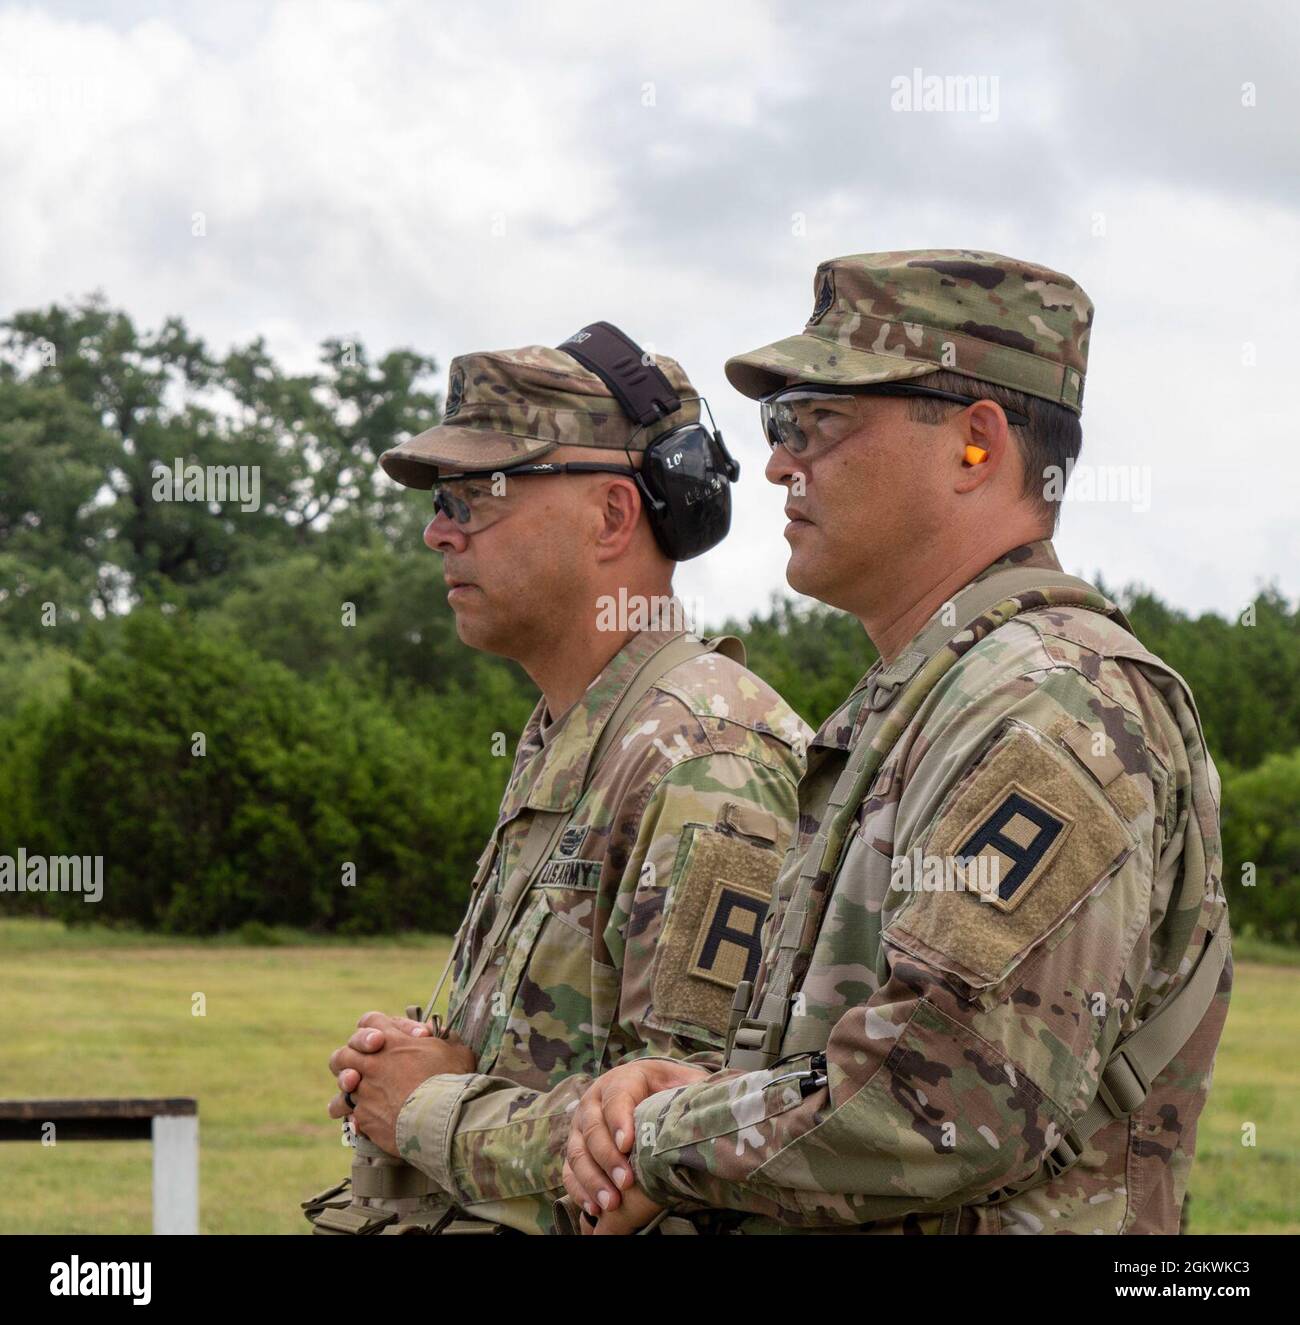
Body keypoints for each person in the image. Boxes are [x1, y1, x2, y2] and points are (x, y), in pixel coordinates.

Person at [562, 252, 1232, 1236]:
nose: (780, 462)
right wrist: (708, 1088)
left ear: (974, 441)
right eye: (775, 426)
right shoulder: (920, 697)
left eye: (814, 421)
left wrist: (661, 1134)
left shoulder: (1048, 701)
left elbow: (941, 1099)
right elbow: (841, 1051)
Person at [306, 323, 810, 1235]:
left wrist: (430, 1106)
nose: (436, 532)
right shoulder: (581, 732)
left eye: (471, 496)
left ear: (614, 515)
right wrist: (435, 1059)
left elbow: (683, 1146)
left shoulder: (705, 759)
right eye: (439, 500)